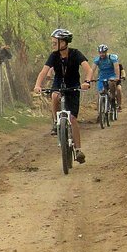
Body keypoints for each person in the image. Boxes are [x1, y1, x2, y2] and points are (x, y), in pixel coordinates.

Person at [33, 29, 92, 163]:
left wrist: (87, 82)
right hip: (58, 83)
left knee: (73, 119)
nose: (53, 44)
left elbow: (88, 69)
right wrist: (38, 85)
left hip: (73, 86)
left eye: (55, 42)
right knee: (54, 96)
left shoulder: (76, 54)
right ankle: (55, 122)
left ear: (64, 42)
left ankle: (78, 150)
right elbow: (43, 72)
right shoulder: (53, 56)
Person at [91, 44, 122, 111]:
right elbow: (92, 69)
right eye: (100, 53)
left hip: (112, 76)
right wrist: (91, 77)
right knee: (101, 92)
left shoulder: (112, 58)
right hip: (102, 77)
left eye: (103, 53)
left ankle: (113, 98)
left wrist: (117, 77)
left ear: (106, 52)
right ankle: (100, 112)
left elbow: (116, 67)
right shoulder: (97, 59)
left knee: (111, 84)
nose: (101, 54)